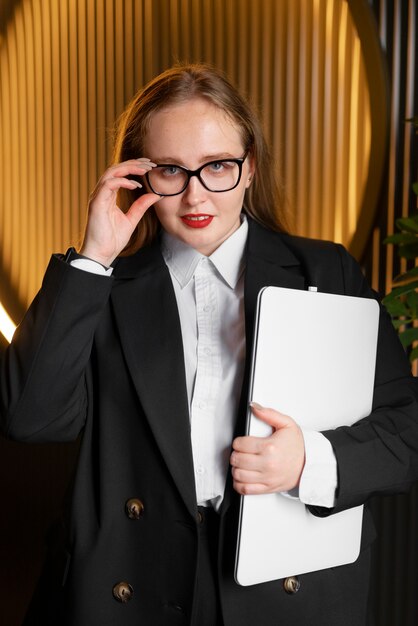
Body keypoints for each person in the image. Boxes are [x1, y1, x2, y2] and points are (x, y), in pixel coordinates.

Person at [1, 63, 417, 626]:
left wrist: (309, 459)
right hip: (131, 583)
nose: (195, 194)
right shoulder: (102, 286)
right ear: (138, 177)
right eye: (170, 170)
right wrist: (94, 258)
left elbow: (407, 429)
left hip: (281, 582)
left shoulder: (326, 270)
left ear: (250, 168)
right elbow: (31, 418)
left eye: (218, 165)